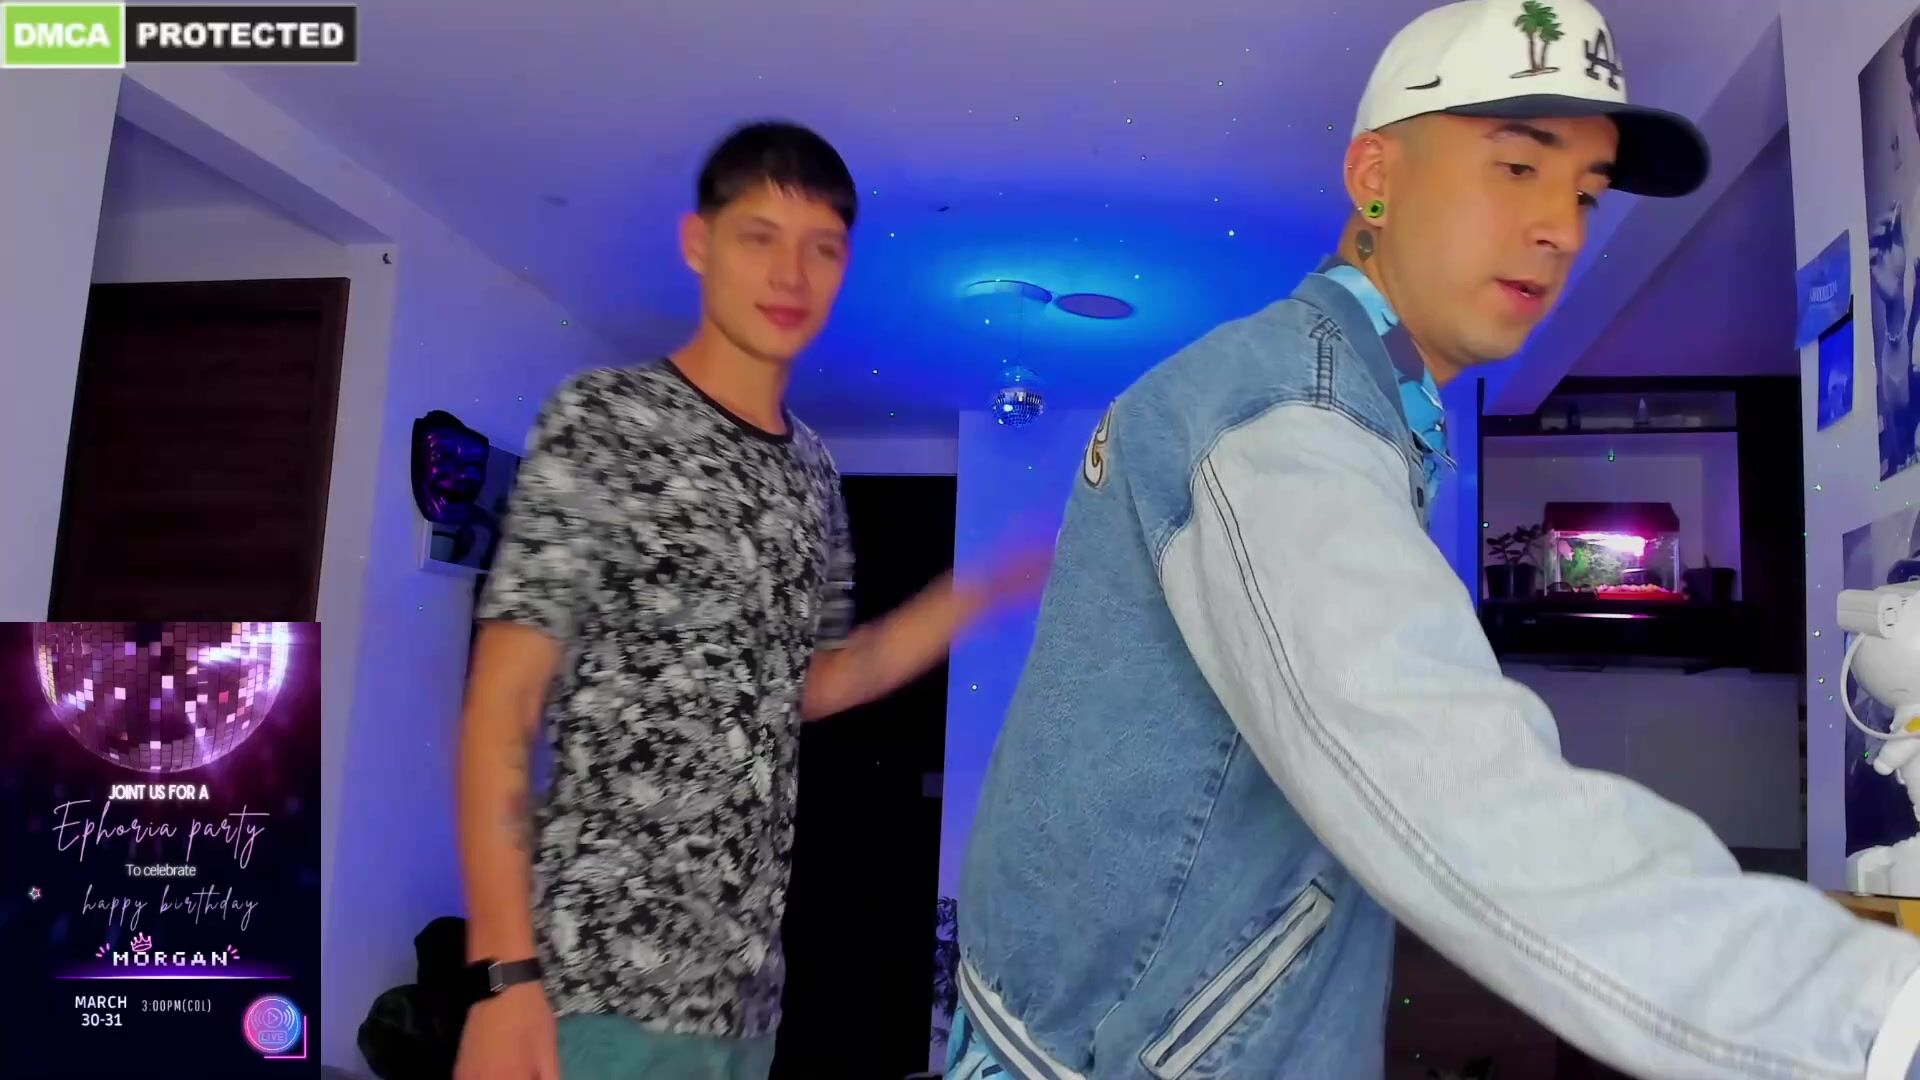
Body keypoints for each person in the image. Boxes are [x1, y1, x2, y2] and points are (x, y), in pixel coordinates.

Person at [949, 2, 1920, 1078]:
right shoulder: (1285, 415)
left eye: (1585, 194)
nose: (1562, 229)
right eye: (1518, 167)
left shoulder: (1364, 407)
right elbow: (1453, 787)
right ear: (1376, 176)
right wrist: (1877, 1021)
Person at [452, 120, 1041, 1080]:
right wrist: (503, 975)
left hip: (743, 996)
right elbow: (500, 708)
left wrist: (979, 592)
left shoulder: (814, 470)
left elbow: (806, 682)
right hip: (593, 978)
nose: (790, 275)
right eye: (759, 237)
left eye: (822, 249)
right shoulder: (606, 420)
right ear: (700, 243)